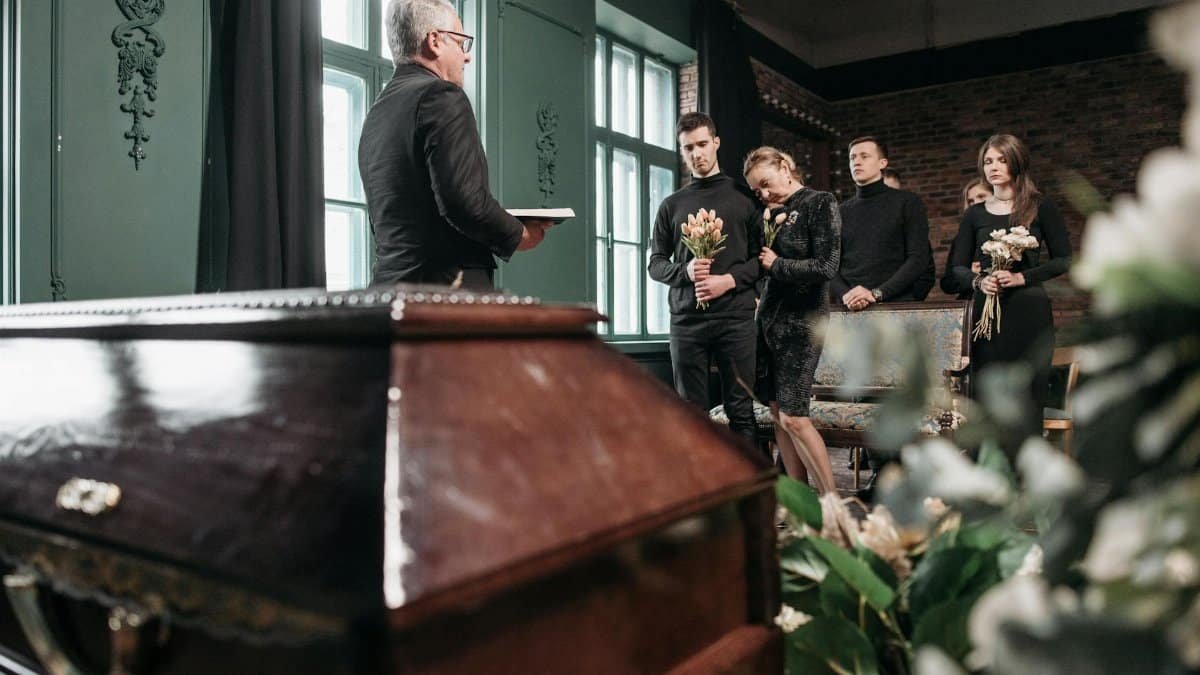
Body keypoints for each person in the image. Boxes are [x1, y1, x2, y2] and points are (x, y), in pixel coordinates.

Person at [360, 0, 549, 290]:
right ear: (434, 41)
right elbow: (464, 203)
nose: (467, 57)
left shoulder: (376, 112)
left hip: (388, 289)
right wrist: (519, 235)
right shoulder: (442, 95)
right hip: (447, 292)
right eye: (462, 43)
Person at [950, 134, 1072, 447]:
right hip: (986, 319)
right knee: (986, 399)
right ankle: (987, 478)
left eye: (1001, 160)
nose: (993, 167)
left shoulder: (1040, 206)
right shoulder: (974, 214)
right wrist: (979, 282)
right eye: (988, 161)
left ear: (1016, 162)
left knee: (1027, 397)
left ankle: (1024, 479)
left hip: (1029, 312)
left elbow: (1064, 260)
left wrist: (1022, 278)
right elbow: (956, 269)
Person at [648, 112, 762, 446]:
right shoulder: (671, 205)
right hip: (686, 321)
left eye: (701, 144)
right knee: (691, 414)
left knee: (741, 411)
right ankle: (705, 491)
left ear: (716, 143)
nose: (696, 153)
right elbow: (655, 264)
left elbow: (764, 260)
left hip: (736, 319)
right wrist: (683, 272)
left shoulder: (745, 199)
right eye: (688, 148)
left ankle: (749, 494)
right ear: (681, 151)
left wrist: (729, 280)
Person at [743, 146, 839, 494]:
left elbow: (826, 267)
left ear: (785, 167)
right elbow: (761, 268)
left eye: (766, 184)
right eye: (757, 191)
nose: (765, 195)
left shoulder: (820, 202)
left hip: (804, 322)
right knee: (776, 415)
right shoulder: (769, 214)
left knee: (794, 417)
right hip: (768, 320)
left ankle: (833, 504)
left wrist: (777, 265)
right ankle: (800, 505)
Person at [832, 137, 932, 310]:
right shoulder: (839, 212)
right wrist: (845, 295)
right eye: (852, 157)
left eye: (864, 156)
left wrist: (876, 294)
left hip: (896, 305)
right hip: (851, 308)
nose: (857, 162)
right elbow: (829, 266)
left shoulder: (907, 202)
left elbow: (918, 258)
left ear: (882, 163)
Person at [940, 179, 992, 298]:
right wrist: (968, 275)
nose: (975, 203)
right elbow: (947, 283)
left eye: (981, 196)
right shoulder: (961, 238)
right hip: (972, 302)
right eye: (970, 201)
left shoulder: (1012, 231)